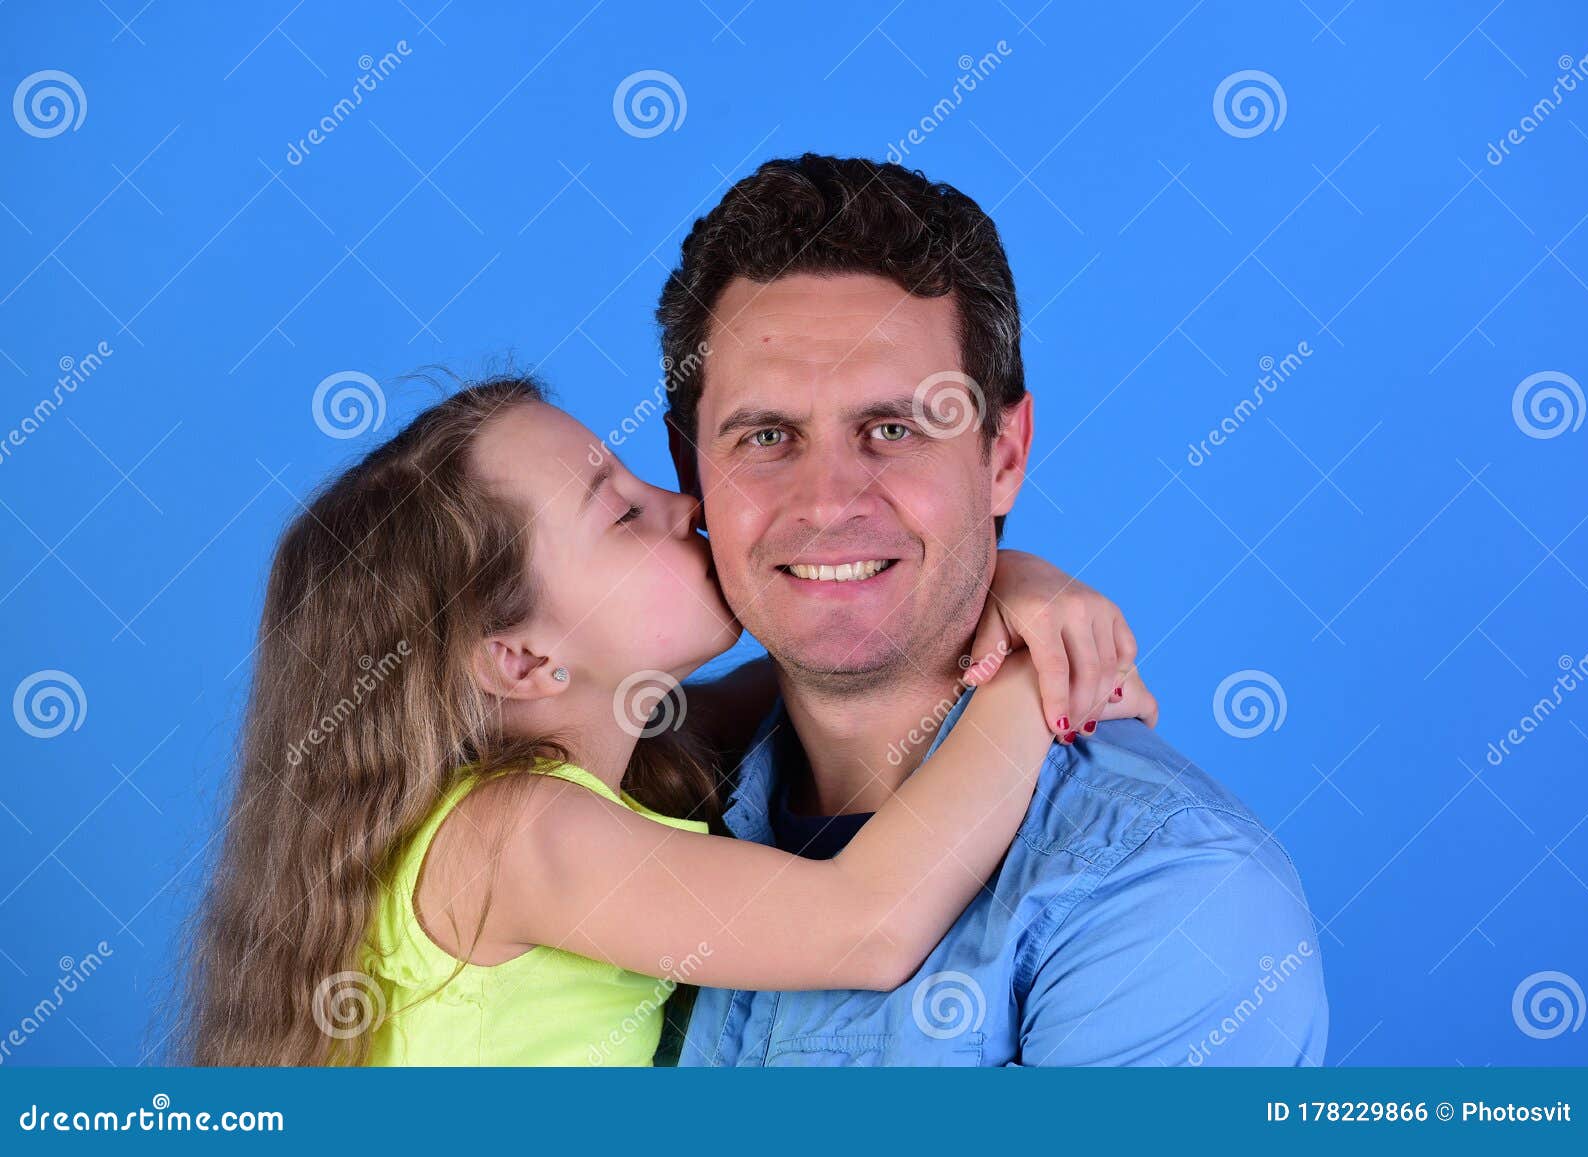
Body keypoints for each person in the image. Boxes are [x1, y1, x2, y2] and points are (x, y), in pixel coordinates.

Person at [181, 375, 1156, 1066]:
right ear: (522, 658)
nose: (682, 500)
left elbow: (851, 643)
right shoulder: (515, 837)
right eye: (621, 515)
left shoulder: (611, 762)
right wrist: (1036, 683)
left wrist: (1011, 577)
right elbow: (868, 923)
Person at [657, 154, 1329, 1066]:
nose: (827, 502)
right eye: (767, 437)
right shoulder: (630, 805)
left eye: (892, 430)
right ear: (692, 469)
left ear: (1003, 454)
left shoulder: (1173, 894)